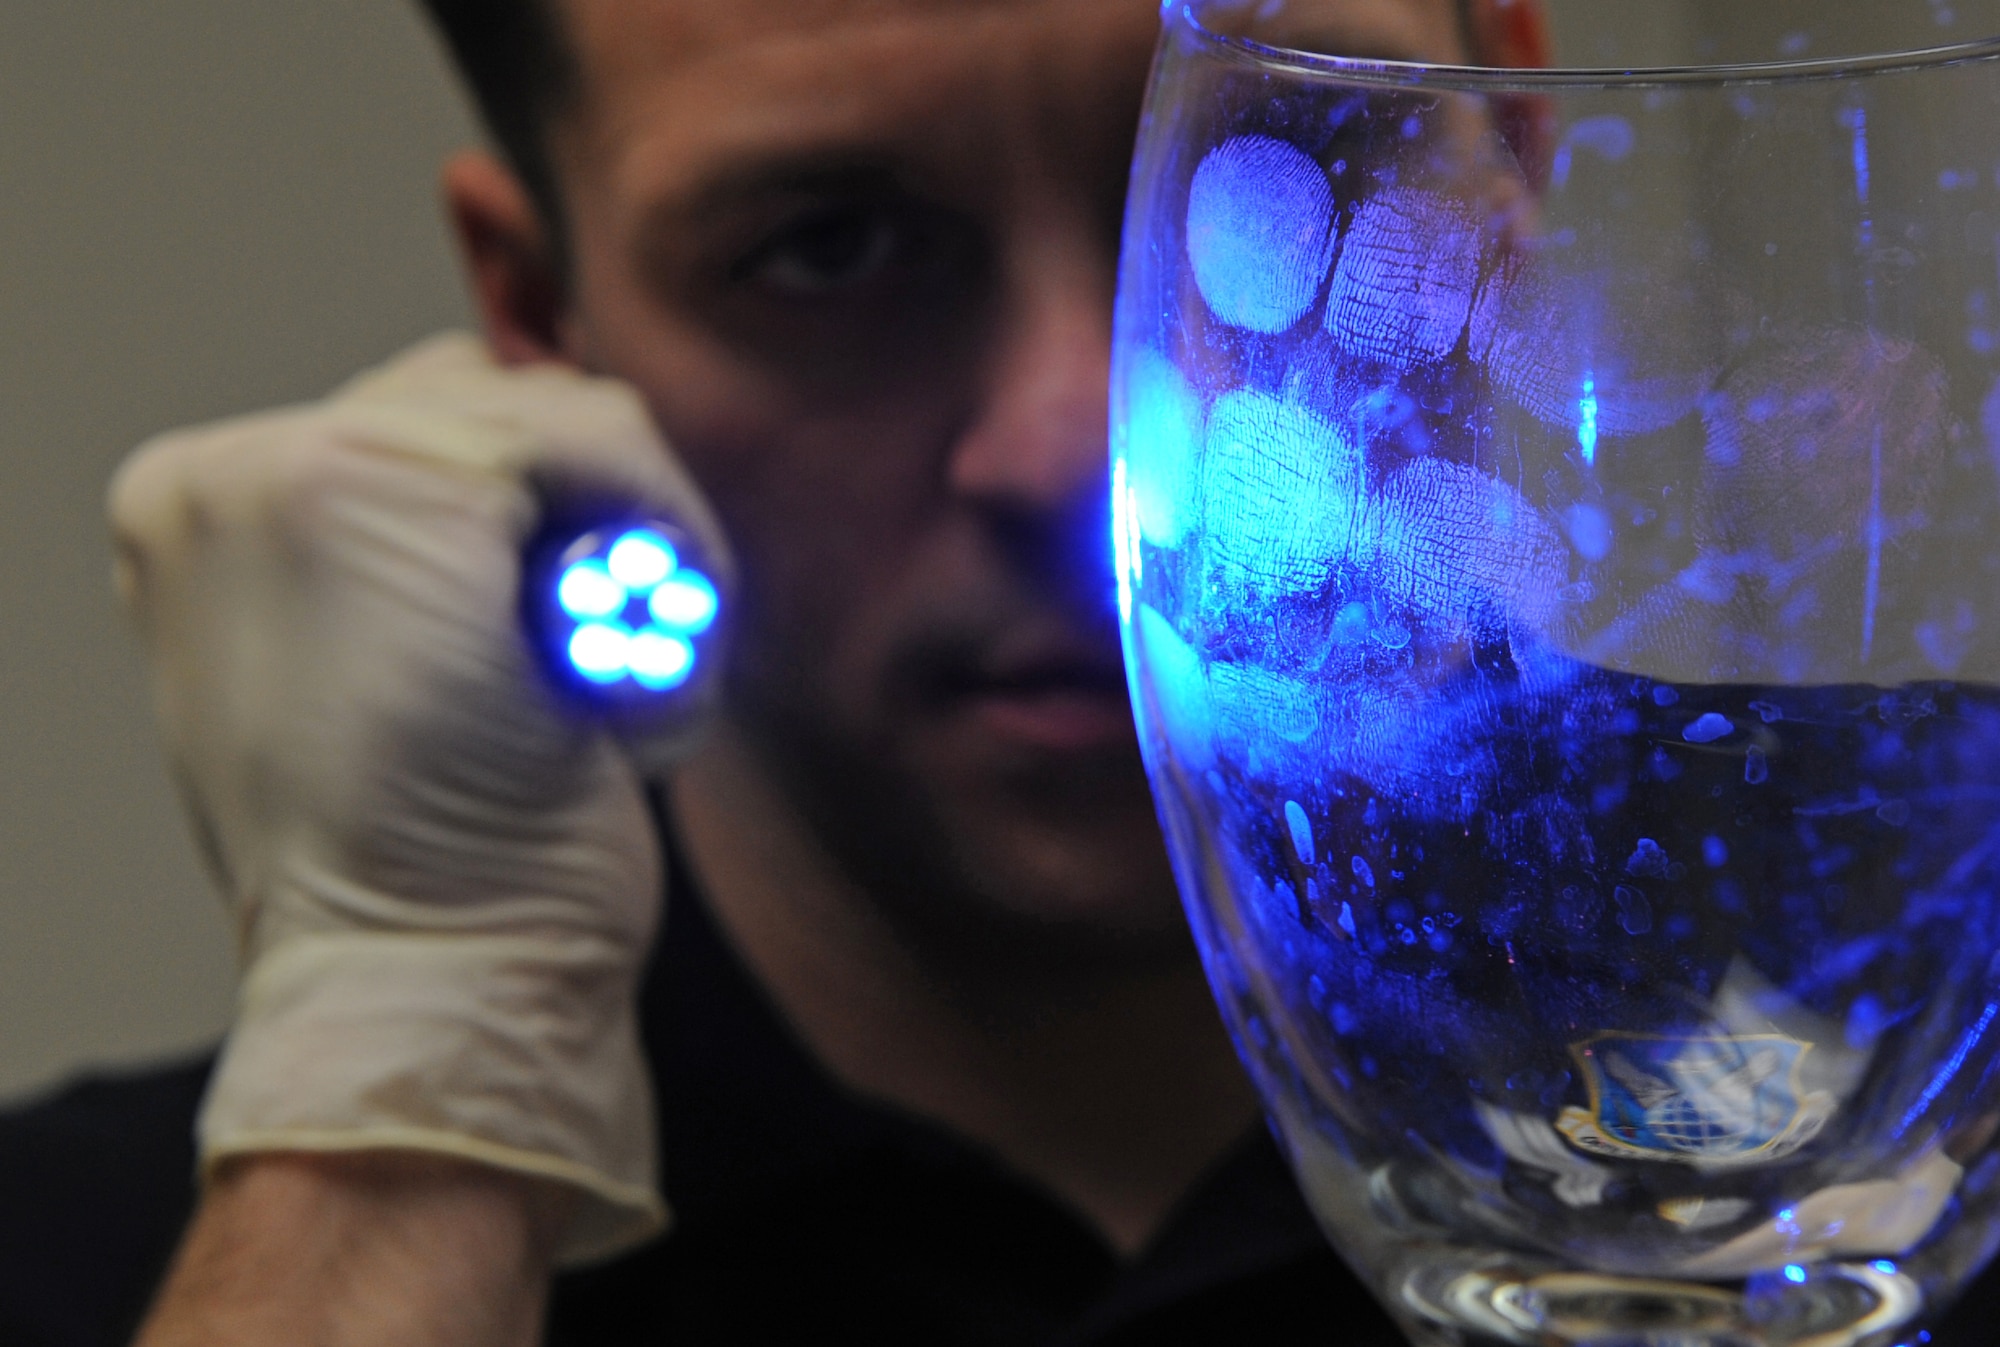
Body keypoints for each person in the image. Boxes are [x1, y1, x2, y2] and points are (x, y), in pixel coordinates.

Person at [2, 1, 1996, 1344]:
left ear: (1521, 135)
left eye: (1293, 162)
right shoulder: (127, 1257)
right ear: (535, 311)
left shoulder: (1948, 1048)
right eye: (834, 245)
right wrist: (400, 1118)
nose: (1081, 446)